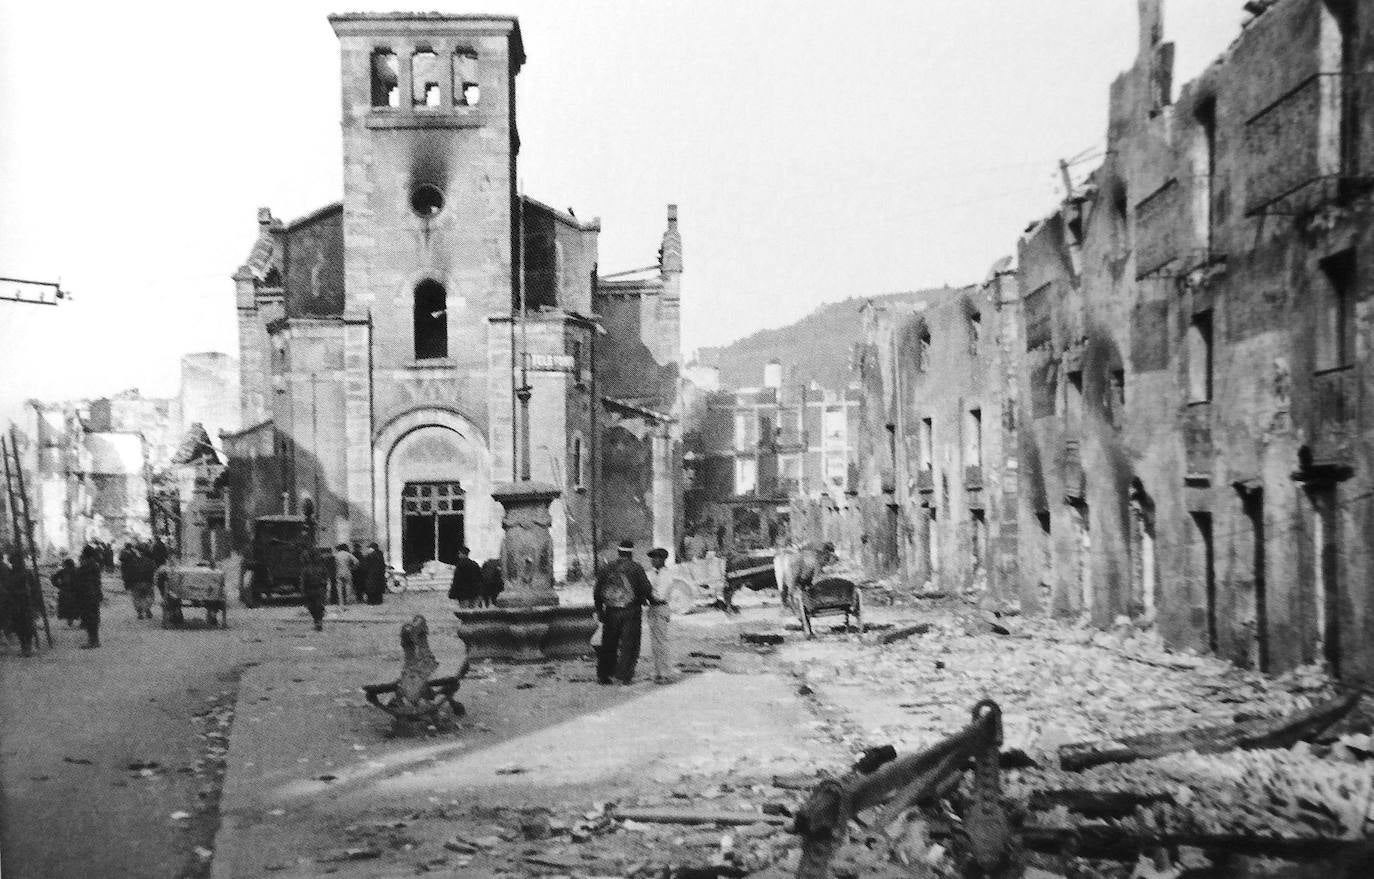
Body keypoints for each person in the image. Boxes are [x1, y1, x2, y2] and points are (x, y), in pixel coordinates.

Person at [593, 540, 653, 685]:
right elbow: (646, 588)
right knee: (629, 644)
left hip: (611, 611)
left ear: (618, 552)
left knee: (608, 644)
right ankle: (623, 675)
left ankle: (604, 675)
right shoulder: (636, 568)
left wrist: (600, 610)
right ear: (631, 553)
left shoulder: (607, 568)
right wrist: (648, 600)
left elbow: (597, 591)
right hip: (631, 611)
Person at [645, 547, 676, 684]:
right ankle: (658, 671)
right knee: (654, 643)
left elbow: (660, 595)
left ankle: (666, 673)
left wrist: (647, 594)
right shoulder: (650, 573)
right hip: (652, 608)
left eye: (656, 558)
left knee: (662, 642)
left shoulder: (667, 575)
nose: (653, 561)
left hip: (661, 607)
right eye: (652, 558)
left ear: (663, 560)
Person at [3, 551, 37, 656]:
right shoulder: (11, 573)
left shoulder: (26, 574)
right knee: (19, 626)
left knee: (26, 626)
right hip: (15, 603)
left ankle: (27, 647)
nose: (14, 564)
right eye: (13, 562)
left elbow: (32, 589)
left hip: (24, 603)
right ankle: (24, 647)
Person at [75, 545, 103, 648]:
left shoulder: (87, 566)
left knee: (89, 618)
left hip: (87, 595)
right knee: (94, 617)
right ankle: (94, 640)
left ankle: (93, 641)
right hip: (94, 594)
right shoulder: (94, 564)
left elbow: (80, 578)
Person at [301, 546, 329, 631]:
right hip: (316, 589)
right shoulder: (310, 568)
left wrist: (303, 591)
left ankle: (318, 621)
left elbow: (303, 580)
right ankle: (317, 621)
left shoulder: (308, 568)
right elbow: (303, 580)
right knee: (315, 606)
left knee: (315, 606)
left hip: (315, 588)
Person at [53, 556, 79, 626]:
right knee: (71, 607)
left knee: (69, 607)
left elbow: (53, 578)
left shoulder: (64, 571)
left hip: (67, 592)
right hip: (71, 592)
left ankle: (70, 621)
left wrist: (58, 585)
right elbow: (54, 578)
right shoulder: (75, 571)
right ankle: (70, 621)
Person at [333, 543, 358, 608]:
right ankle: (348, 601)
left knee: (339, 588)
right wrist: (352, 567)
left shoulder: (336, 555)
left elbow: (334, 564)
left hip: (339, 572)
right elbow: (356, 561)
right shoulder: (348, 554)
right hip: (347, 571)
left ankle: (341, 602)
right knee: (348, 586)